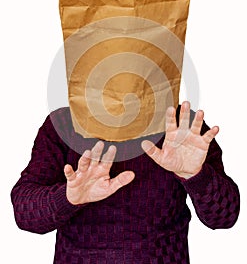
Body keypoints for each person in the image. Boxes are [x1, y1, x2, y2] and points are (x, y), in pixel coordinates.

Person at [11, 101, 240, 264]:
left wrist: (195, 174)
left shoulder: (180, 124)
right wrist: (69, 197)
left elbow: (225, 217)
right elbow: (24, 214)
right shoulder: (63, 124)